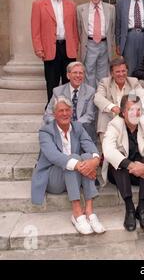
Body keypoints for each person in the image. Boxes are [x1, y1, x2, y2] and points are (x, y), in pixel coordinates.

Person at [31, 97, 105, 235]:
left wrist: (94, 161)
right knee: (73, 159)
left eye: (67, 110)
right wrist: (80, 166)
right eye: (61, 111)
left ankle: (89, 212)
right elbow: (54, 156)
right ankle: (77, 214)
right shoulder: (45, 132)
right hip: (54, 179)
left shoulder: (77, 127)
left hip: (74, 177)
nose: (64, 114)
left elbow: (91, 146)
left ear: (71, 112)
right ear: (54, 114)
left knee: (88, 157)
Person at [102, 95, 144, 232]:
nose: (135, 113)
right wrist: (132, 166)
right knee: (117, 159)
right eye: (130, 109)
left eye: (138, 109)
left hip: (142, 174)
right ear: (123, 112)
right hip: (120, 175)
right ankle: (129, 208)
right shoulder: (114, 124)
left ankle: (141, 208)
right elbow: (107, 150)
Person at [31, 0, 78, 104]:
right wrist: (38, 48)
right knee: (52, 81)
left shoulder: (71, 5)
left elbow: (74, 28)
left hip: (68, 47)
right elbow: (35, 29)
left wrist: (76, 46)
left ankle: (68, 109)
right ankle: (51, 112)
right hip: (50, 48)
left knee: (69, 81)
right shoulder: (38, 4)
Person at [94, 57, 144, 142]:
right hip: (110, 119)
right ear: (112, 73)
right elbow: (98, 98)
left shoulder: (133, 82)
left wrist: (138, 110)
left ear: (127, 71)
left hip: (129, 121)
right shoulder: (105, 82)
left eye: (123, 71)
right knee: (103, 112)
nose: (121, 74)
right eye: (117, 71)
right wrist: (113, 107)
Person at [43, 61, 96, 142]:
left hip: (81, 128)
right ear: (68, 75)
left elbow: (89, 115)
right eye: (75, 72)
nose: (78, 75)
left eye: (81, 73)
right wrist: (61, 124)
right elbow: (48, 114)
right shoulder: (58, 91)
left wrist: (73, 126)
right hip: (61, 128)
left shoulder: (90, 91)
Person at [77, 0, 115, 89]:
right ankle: (90, 100)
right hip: (89, 44)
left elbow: (112, 29)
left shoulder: (111, 9)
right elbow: (79, 29)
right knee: (89, 73)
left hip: (104, 45)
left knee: (103, 75)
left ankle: (100, 99)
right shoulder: (80, 9)